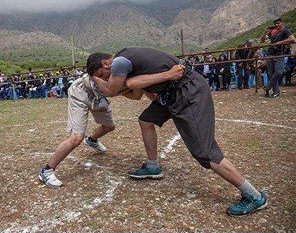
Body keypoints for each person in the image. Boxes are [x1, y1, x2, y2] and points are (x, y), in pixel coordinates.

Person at [87, 47, 267, 217]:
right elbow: (136, 94)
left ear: (105, 64)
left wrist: (96, 81)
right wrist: (125, 85)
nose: (106, 78)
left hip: (188, 92)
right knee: (146, 119)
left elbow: (112, 89)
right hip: (171, 94)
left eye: (103, 75)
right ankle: (152, 166)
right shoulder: (127, 63)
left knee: (205, 152)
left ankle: (254, 196)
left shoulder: (119, 62)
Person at [38, 66, 184, 188]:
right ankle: (46, 170)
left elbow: (136, 96)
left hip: (99, 99)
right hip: (81, 94)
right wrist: (99, 79)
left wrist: (126, 88)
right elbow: (95, 75)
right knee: (76, 138)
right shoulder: (113, 72)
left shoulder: (136, 81)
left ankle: (92, 140)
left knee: (109, 127)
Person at [260, 17, 295, 98]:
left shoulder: (285, 30)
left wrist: (280, 42)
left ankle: (267, 87)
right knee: (272, 74)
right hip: (270, 54)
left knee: (279, 72)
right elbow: (262, 40)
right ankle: (276, 92)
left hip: (279, 54)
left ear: (282, 23)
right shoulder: (272, 31)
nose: (276, 25)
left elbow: (292, 39)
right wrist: (265, 32)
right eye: (275, 23)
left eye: (278, 23)